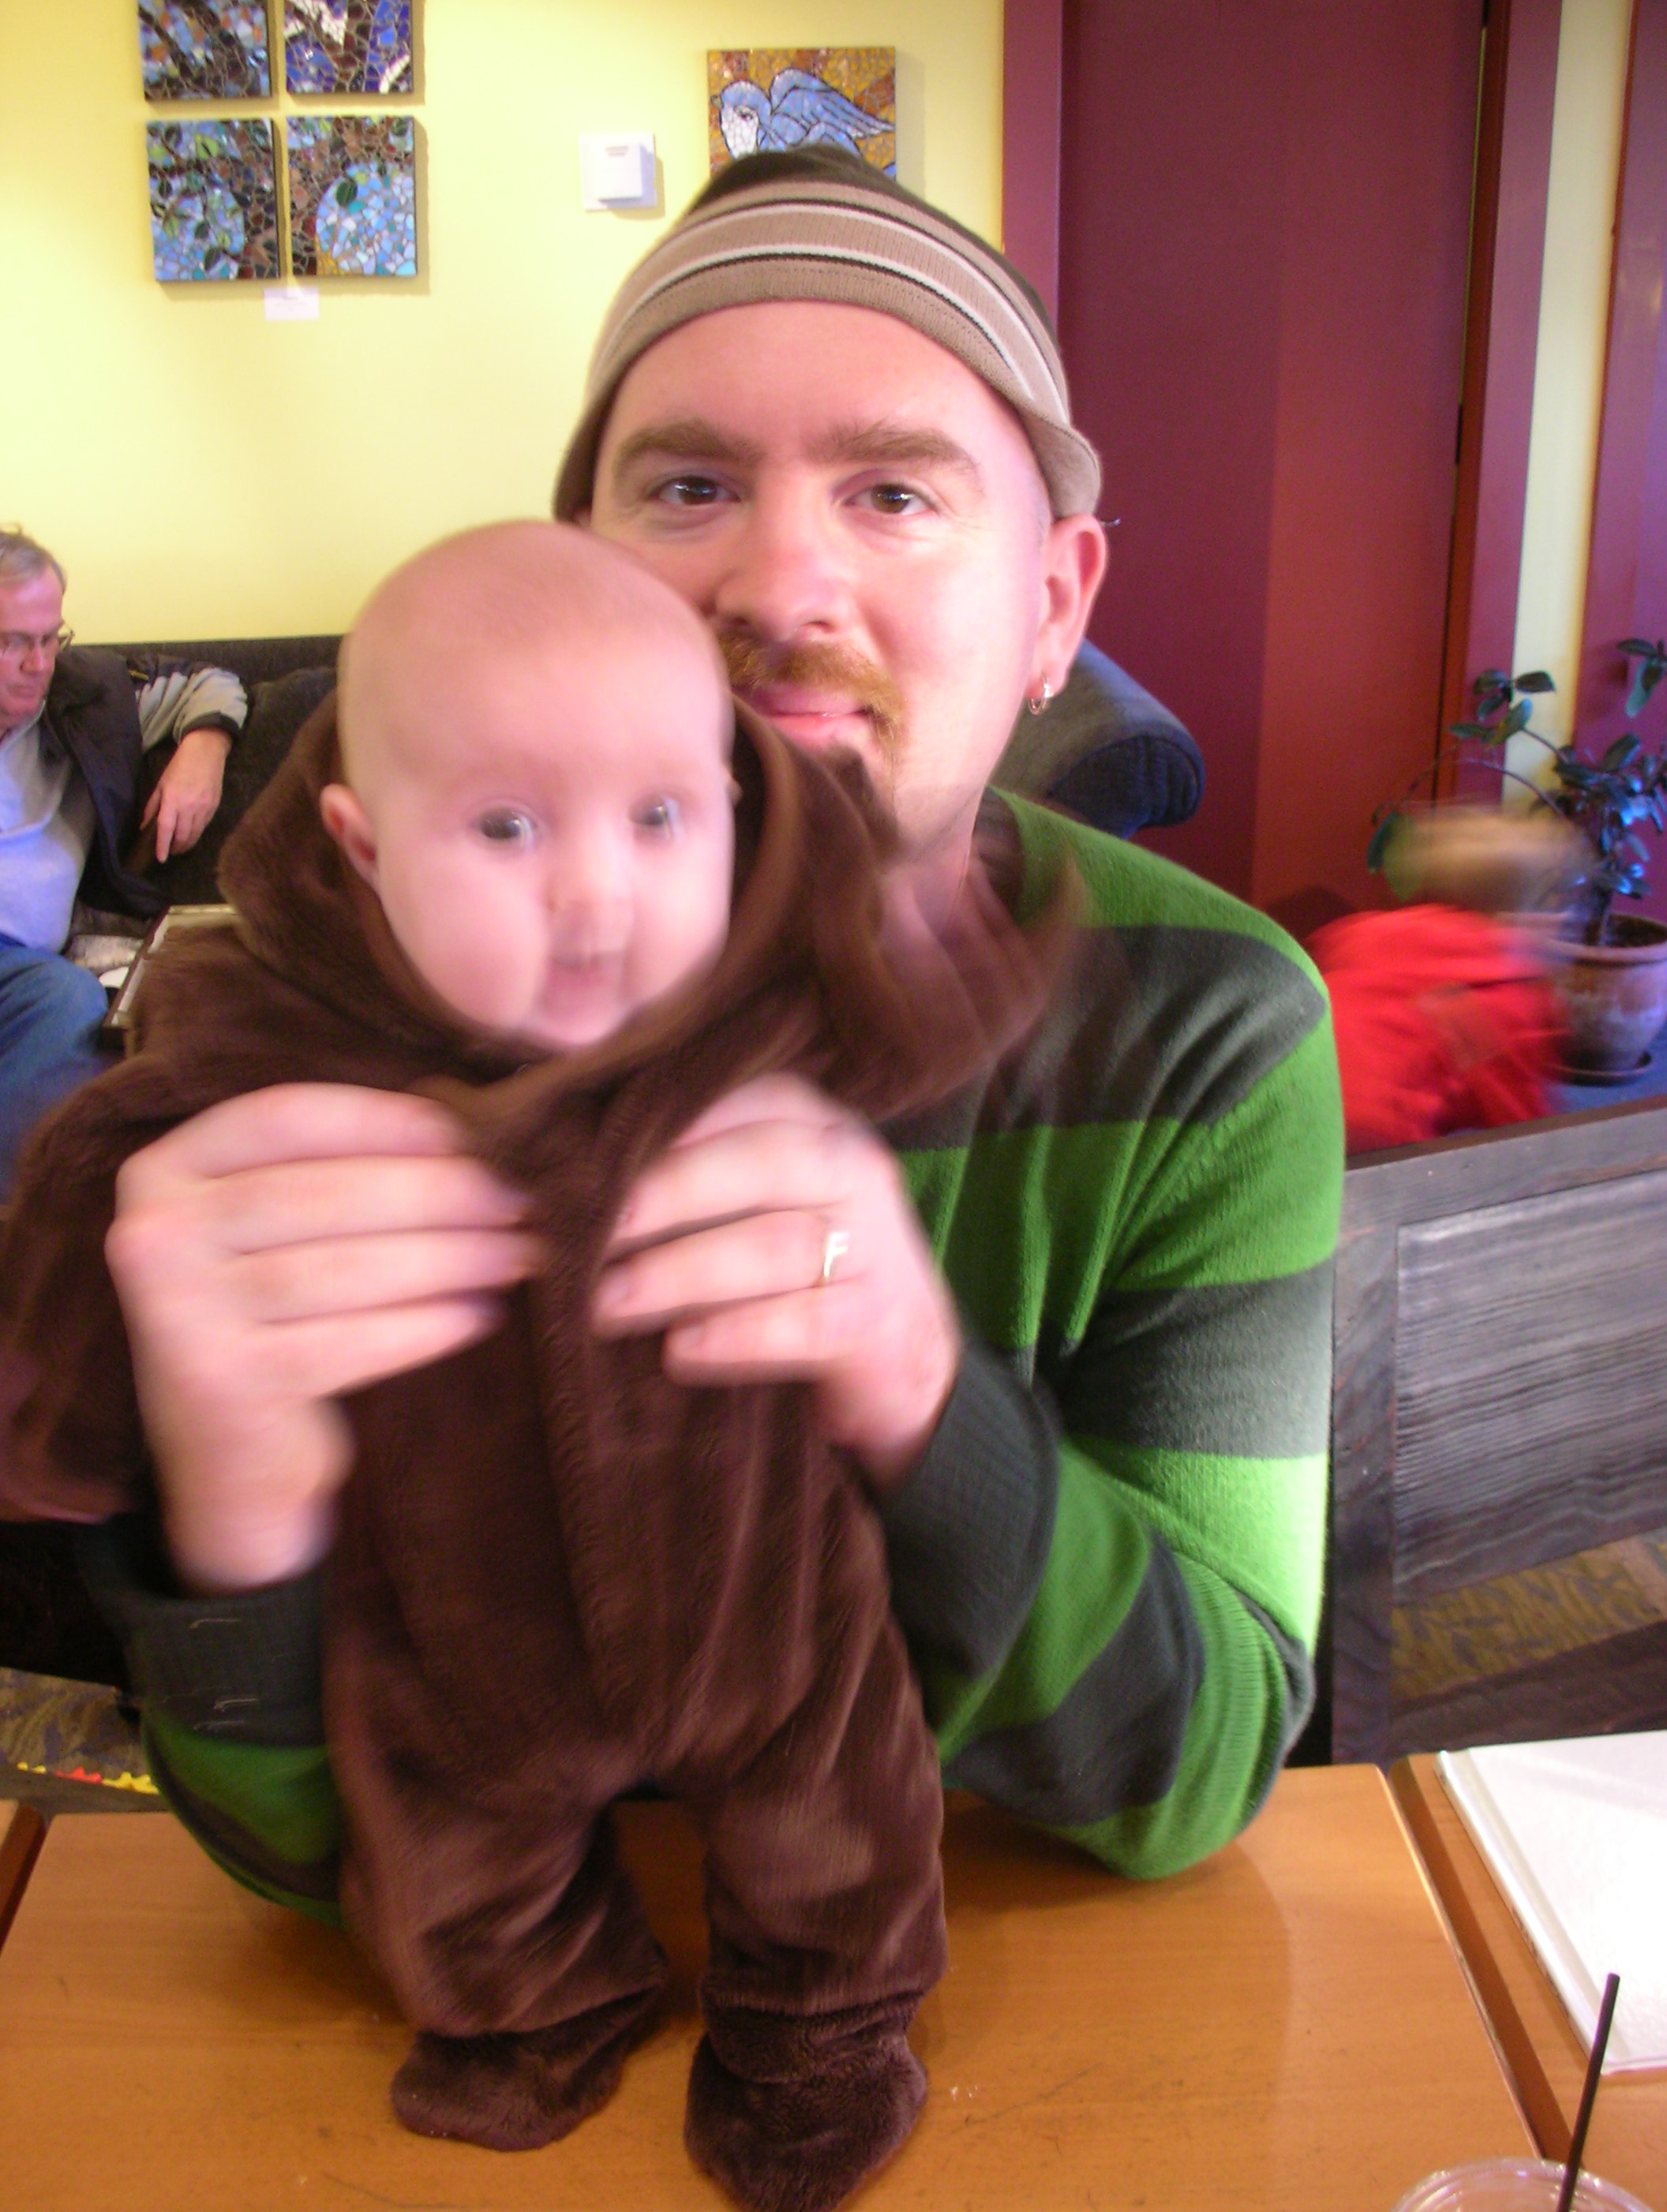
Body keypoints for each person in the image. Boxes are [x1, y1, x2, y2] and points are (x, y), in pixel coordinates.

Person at [30, 148, 1343, 1901]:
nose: (780, 587)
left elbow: (1205, 1764)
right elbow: (290, 1863)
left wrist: (913, 1385)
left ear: (1052, 606)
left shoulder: (1204, 1022)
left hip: (992, 1972)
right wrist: (236, 1507)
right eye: (692, 486)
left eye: (895, 494)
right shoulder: (324, 1015)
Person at [5, 522, 1072, 2203]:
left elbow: (914, 1006)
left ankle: (821, 2033)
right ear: (363, 847)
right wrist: (63, 1430)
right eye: (505, 827)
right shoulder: (266, 1038)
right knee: (457, 1853)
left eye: (660, 818)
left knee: (838, 1819)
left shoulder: (754, 996)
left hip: (763, 1586)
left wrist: (989, 943)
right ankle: (538, 2011)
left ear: (731, 811)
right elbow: (102, 1174)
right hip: (454, 1613)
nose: (596, 895)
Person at [0, 526, 245, 1190]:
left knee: (68, 1000)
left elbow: (211, 682)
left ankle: (16, 1222)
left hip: (21, 971)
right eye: (13, 642)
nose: (39, 664)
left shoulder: (85, 698)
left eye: (51, 637)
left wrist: (205, 750)